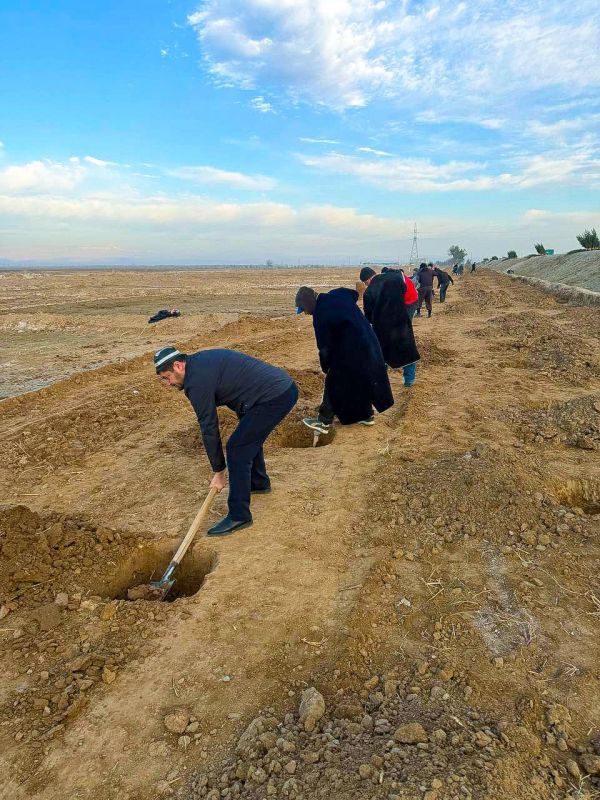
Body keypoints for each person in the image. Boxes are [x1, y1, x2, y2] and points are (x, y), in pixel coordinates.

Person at [154, 346, 298, 536]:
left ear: (178, 366)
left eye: (166, 377)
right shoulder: (199, 363)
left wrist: (219, 471)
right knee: (247, 438)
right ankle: (258, 482)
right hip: (269, 393)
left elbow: (209, 427)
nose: (167, 384)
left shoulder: (196, 382)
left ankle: (239, 515)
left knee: (237, 448)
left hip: (274, 396)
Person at [295, 286, 393, 434]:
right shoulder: (337, 294)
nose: (306, 313)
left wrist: (326, 367)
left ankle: (323, 421)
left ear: (309, 303)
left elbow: (325, 347)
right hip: (369, 341)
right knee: (359, 379)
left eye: (304, 310)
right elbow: (353, 293)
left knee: (334, 381)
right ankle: (366, 415)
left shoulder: (321, 314)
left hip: (354, 349)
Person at [359, 268, 420, 387]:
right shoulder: (395, 279)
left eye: (366, 283)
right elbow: (405, 291)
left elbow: (369, 316)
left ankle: (382, 381)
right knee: (407, 350)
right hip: (401, 322)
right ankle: (409, 380)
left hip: (382, 328)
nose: (367, 285)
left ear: (369, 279)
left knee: (382, 354)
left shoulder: (368, 292)